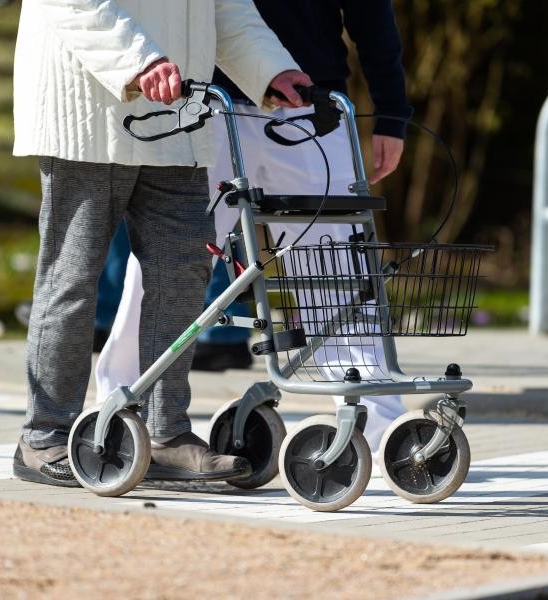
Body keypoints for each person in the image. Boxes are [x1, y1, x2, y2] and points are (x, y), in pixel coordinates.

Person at [11, 0, 312, 487]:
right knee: (73, 276)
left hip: (175, 114)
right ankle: (44, 436)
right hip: (90, 111)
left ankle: (164, 433)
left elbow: (225, 6)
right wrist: (139, 61)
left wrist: (271, 70)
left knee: (185, 267)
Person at [96, 0, 413, 462]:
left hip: (311, 101)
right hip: (207, 102)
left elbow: (371, 13)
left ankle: (376, 419)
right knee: (170, 260)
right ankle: (123, 399)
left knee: (337, 265)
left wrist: (391, 111)